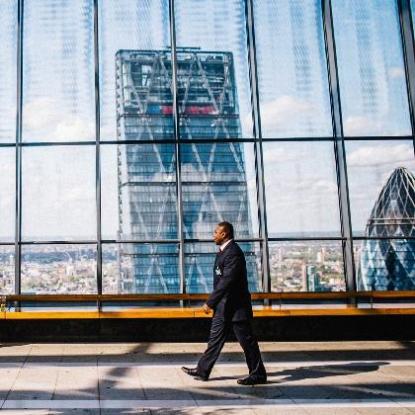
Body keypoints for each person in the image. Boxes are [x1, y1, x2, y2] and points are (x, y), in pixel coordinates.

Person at [182, 221, 267, 385]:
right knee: (214, 340)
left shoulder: (233, 253)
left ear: (224, 234)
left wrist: (210, 302)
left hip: (236, 308)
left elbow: (227, 281)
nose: (213, 235)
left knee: (247, 342)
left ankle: (258, 374)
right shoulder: (223, 252)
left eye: (216, 232)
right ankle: (202, 370)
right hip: (223, 308)